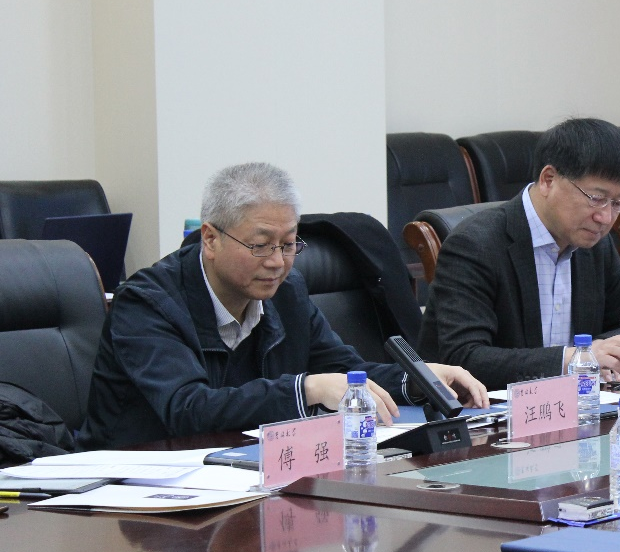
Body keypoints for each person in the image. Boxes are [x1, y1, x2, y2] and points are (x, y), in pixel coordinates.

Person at [78, 163, 488, 450]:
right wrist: (307, 388)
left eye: (289, 243)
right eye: (261, 245)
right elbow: (188, 409)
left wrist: (417, 380)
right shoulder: (147, 302)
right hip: (135, 495)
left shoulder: (287, 292)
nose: (278, 261)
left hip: (241, 475)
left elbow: (346, 371)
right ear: (210, 239)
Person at [418, 118, 620, 389]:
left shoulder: (595, 245)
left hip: (578, 405)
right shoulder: (474, 244)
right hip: (488, 409)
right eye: (596, 199)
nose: (605, 217)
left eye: (618, 203)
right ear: (549, 180)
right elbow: (464, 358)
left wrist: (607, 349)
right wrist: (577, 357)